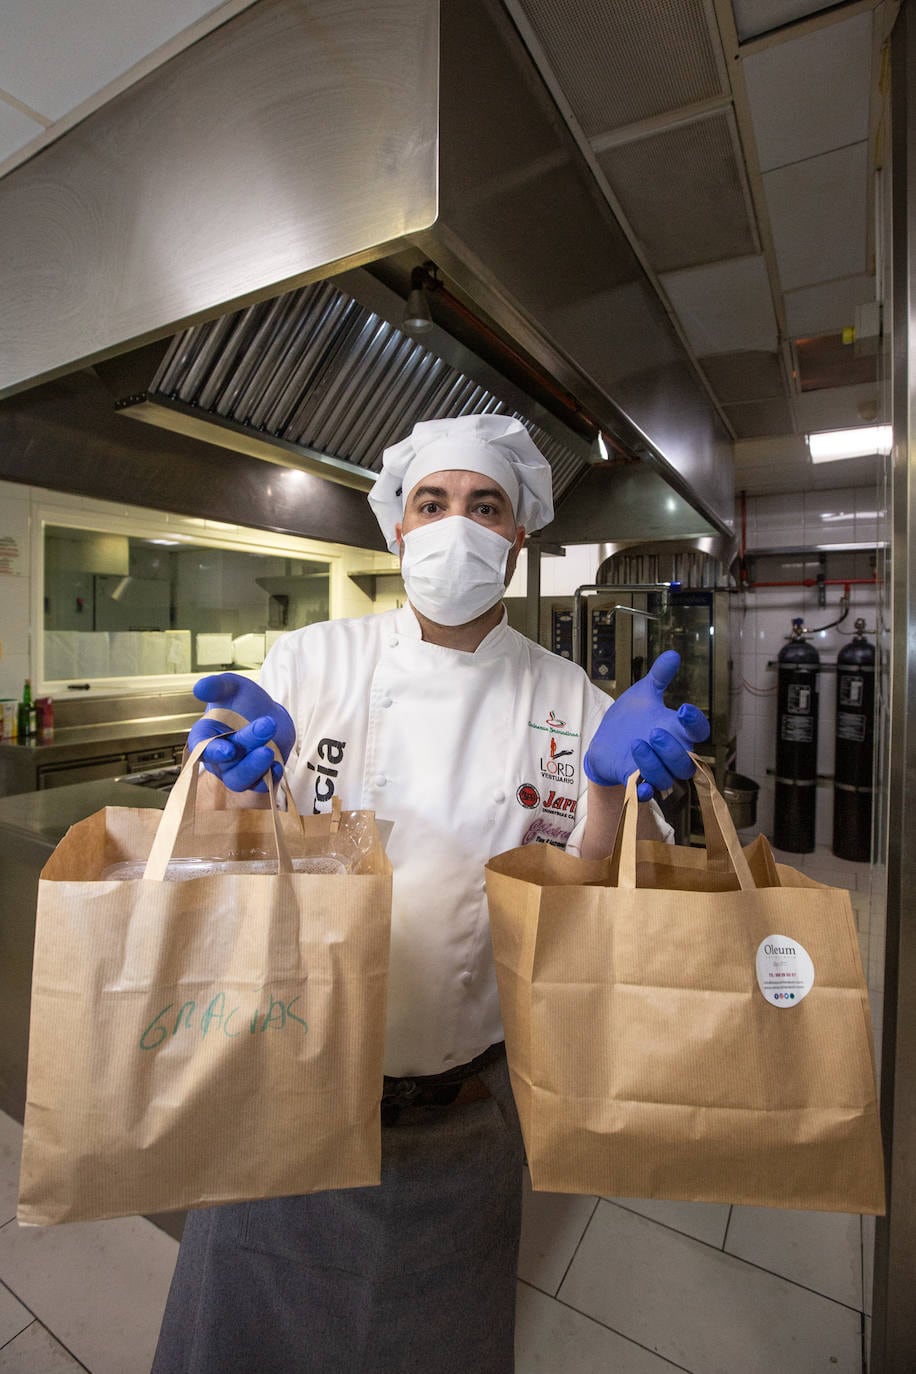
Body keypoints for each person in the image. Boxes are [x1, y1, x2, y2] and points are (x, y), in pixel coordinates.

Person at [151, 413, 709, 1374]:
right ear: (399, 528)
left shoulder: (569, 693)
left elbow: (606, 910)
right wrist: (223, 779)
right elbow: (217, 865)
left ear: (517, 534)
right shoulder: (312, 665)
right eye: (433, 503)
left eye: (483, 506)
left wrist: (615, 793)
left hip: (468, 1117)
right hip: (291, 1091)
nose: (457, 525)